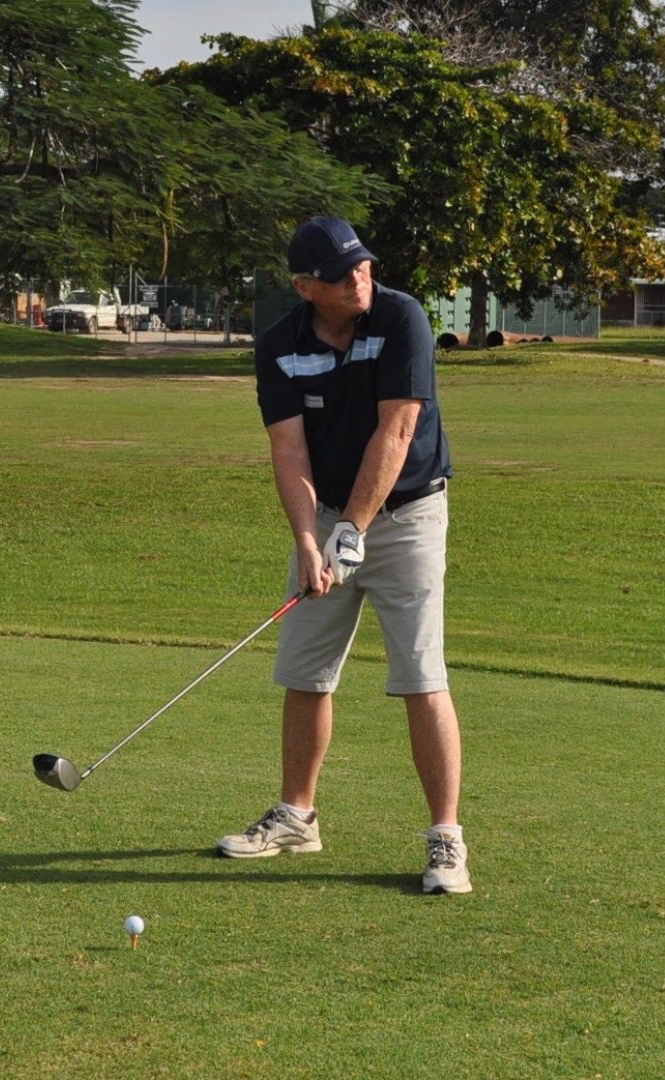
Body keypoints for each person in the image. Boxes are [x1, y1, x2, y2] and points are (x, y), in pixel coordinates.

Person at [217, 215, 470, 895]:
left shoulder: (401, 317)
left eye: (362, 265)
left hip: (409, 516)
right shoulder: (279, 345)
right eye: (340, 275)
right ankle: (297, 816)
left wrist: (353, 529)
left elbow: (398, 429)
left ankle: (446, 837)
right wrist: (308, 537)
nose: (359, 279)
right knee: (304, 669)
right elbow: (289, 449)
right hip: (327, 517)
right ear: (305, 287)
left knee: (420, 673)